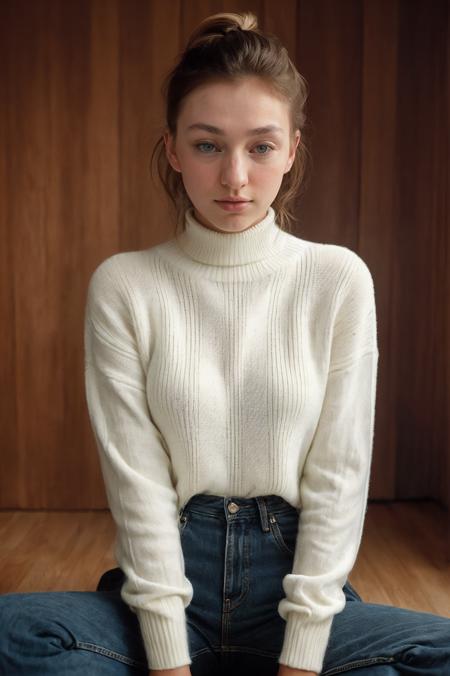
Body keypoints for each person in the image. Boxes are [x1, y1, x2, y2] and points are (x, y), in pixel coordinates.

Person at [0, 10, 449, 676]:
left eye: (260, 147)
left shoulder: (336, 278)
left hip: (292, 583)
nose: (234, 176)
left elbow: (340, 474)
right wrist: (167, 659)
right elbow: (139, 486)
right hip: (170, 578)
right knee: (15, 633)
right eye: (209, 145)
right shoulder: (126, 285)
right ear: (174, 148)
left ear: (292, 150)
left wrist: (301, 659)